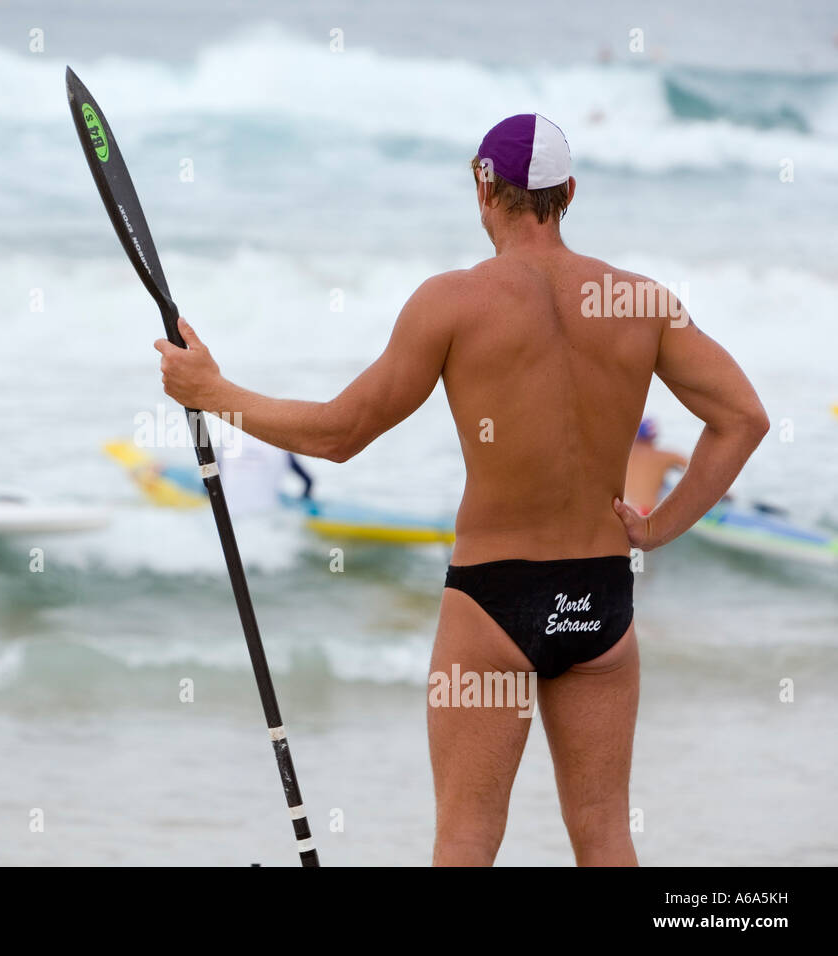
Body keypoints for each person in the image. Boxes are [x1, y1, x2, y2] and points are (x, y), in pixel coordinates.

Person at [154, 113, 768, 865]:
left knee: (468, 842)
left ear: (484, 187)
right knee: (606, 835)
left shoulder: (452, 302)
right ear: (569, 191)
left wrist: (212, 390)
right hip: (603, 600)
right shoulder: (640, 302)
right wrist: (658, 526)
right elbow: (743, 419)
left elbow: (337, 435)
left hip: (492, 605)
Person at [624, 418, 688, 515]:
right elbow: (699, 470)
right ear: (653, 438)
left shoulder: (622, 454)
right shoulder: (665, 457)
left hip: (622, 509)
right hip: (644, 513)